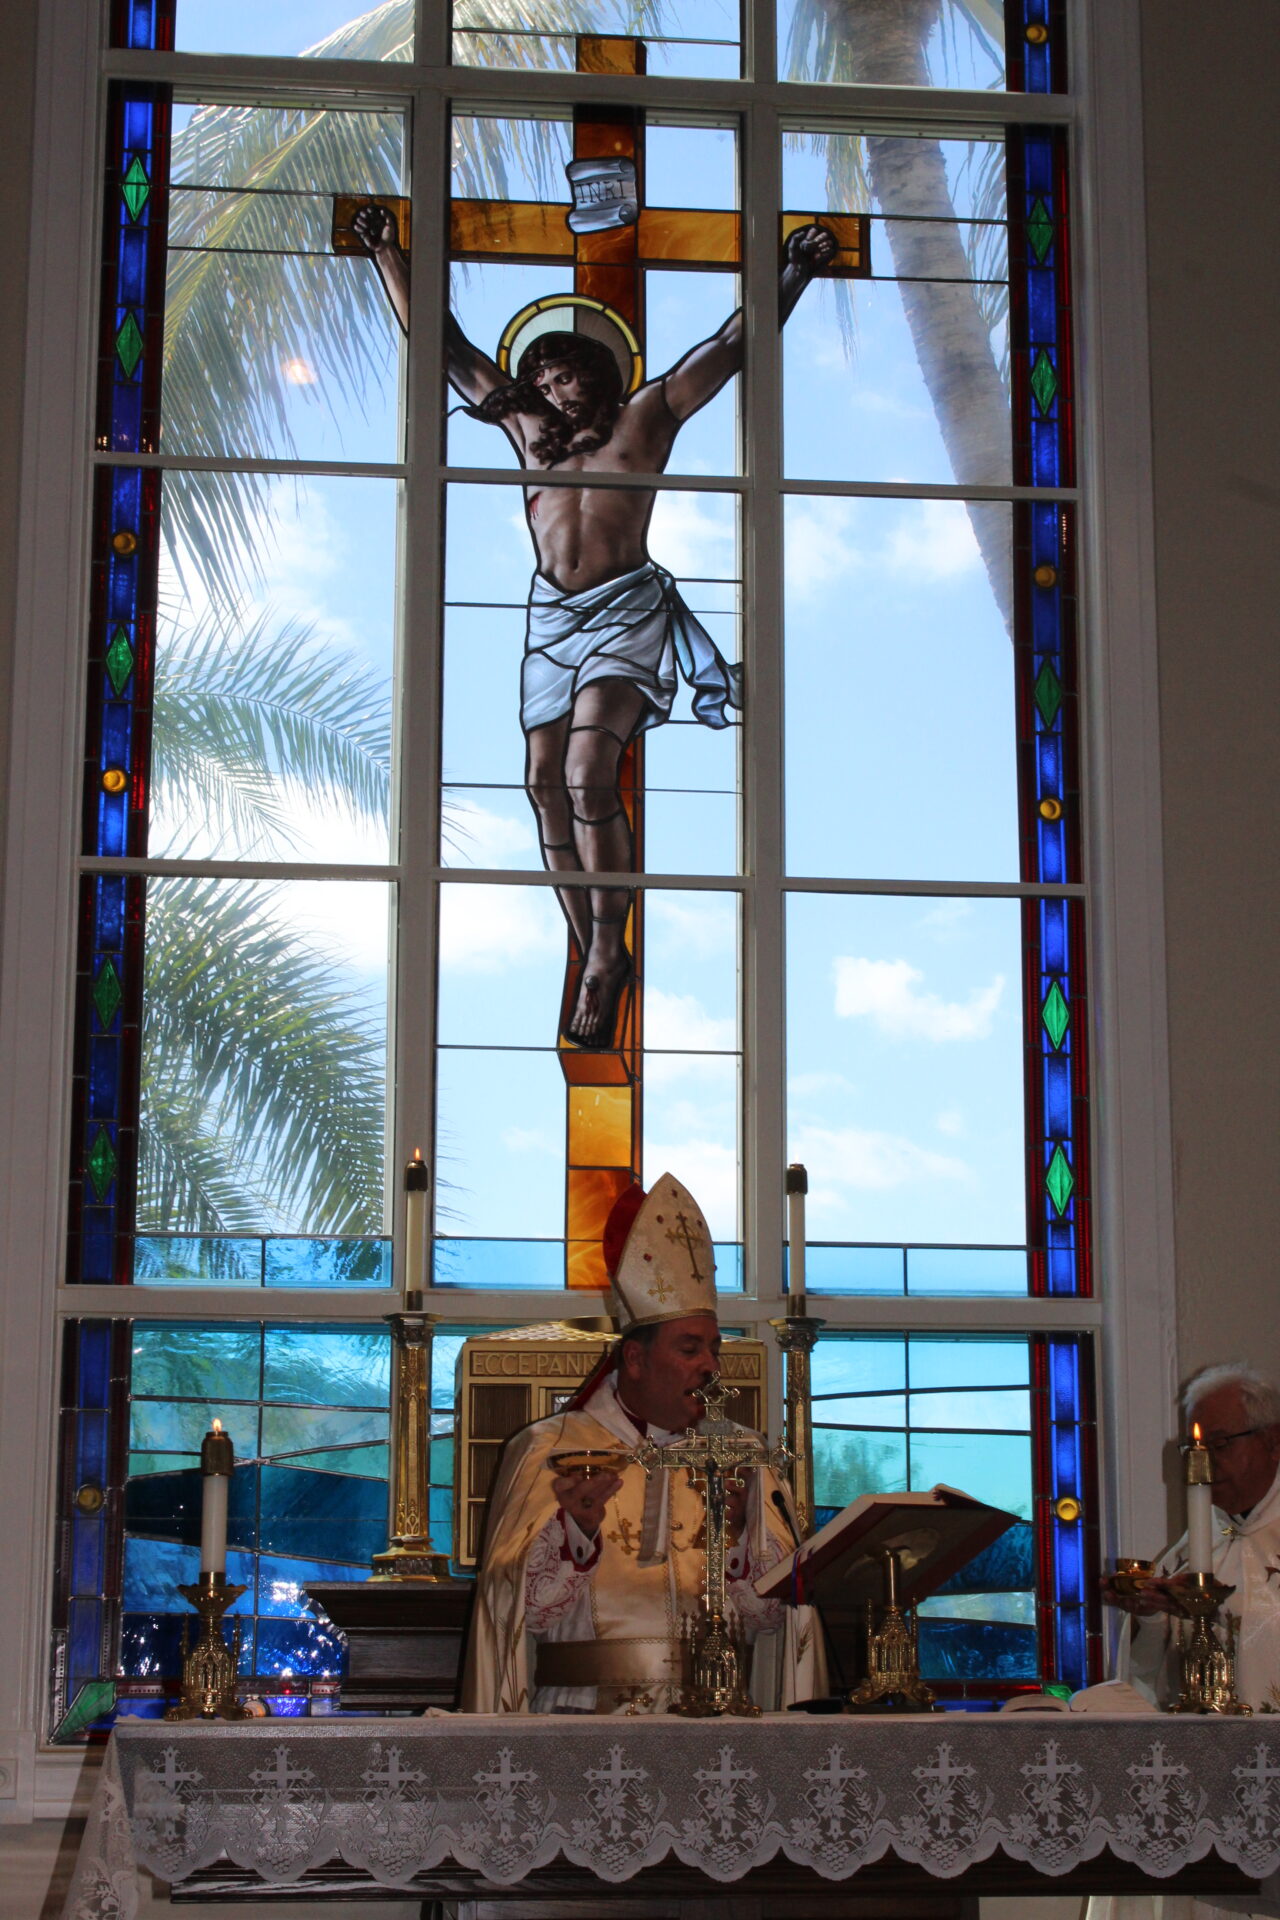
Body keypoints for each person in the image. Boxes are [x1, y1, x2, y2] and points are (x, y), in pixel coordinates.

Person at [354, 202, 837, 1047]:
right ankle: (593, 951)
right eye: (536, 377)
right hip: (552, 621)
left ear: (598, 375)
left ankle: (610, 945)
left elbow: (726, 350)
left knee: (586, 776)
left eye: (562, 372)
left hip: (625, 614)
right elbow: (448, 348)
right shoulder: (529, 432)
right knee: (541, 786)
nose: (546, 386)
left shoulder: (643, 422)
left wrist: (792, 271)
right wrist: (388, 255)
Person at [460, 1172, 826, 1713]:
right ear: (635, 1358)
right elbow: (515, 1611)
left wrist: (747, 1532)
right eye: (689, 1348)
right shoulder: (552, 1449)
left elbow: (778, 1617)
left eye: (713, 1348)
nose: (709, 1365)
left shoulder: (743, 1453)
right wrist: (577, 1531)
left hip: (726, 1723)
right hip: (585, 1722)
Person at [1092, 1364, 1280, 1920]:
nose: (1204, 1464)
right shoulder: (1200, 1542)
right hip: (1208, 1785)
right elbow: (1151, 1682)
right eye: (1195, 1448)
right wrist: (1153, 1615)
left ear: (1271, 1441)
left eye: (1220, 1443)